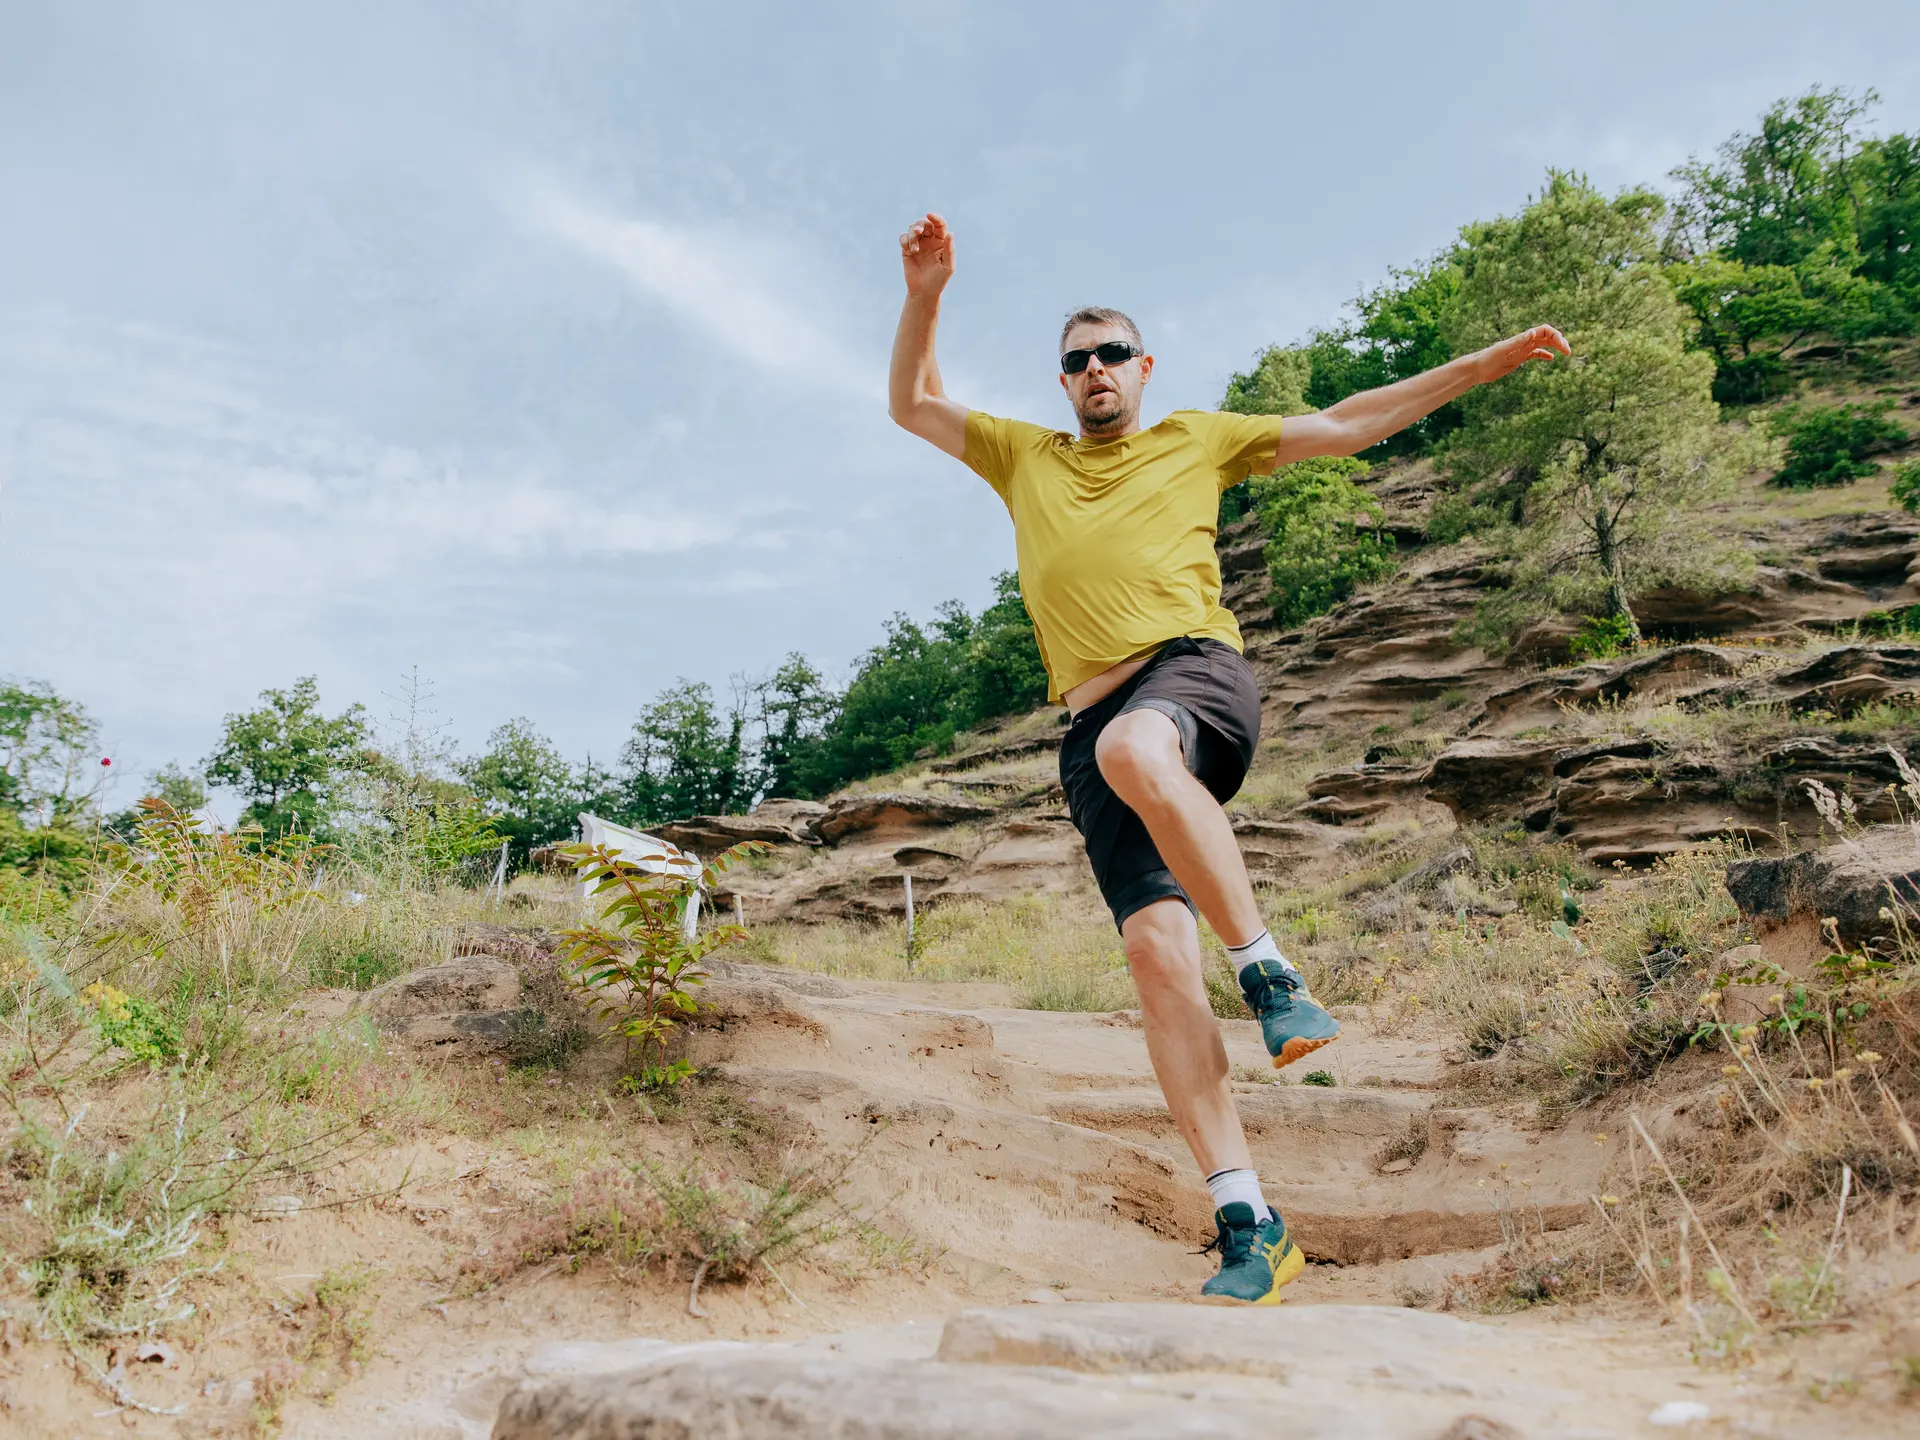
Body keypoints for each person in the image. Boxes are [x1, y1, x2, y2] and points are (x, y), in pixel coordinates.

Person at [887, 212, 1569, 1305]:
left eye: (1112, 353)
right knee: (1158, 961)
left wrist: (1486, 365)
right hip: (1092, 733)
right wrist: (927, 292)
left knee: (1134, 745)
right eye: (1076, 361)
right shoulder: (1027, 458)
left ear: (1144, 368)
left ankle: (1268, 972)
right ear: (1061, 383)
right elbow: (913, 405)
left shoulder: (1197, 437)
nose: (1095, 371)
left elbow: (1351, 422)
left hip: (1193, 675)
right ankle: (1249, 1219)